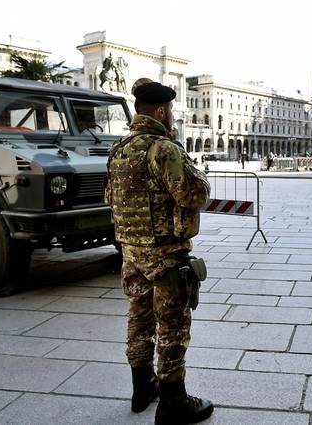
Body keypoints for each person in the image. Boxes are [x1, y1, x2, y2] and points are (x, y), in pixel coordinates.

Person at [105, 81, 214, 423]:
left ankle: (142, 388)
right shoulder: (163, 149)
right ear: (161, 111)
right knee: (172, 325)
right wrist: (198, 174)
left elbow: (110, 198)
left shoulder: (119, 149)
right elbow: (193, 195)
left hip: (131, 254)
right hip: (165, 255)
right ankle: (173, 401)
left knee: (138, 320)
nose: (172, 115)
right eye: (170, 110)